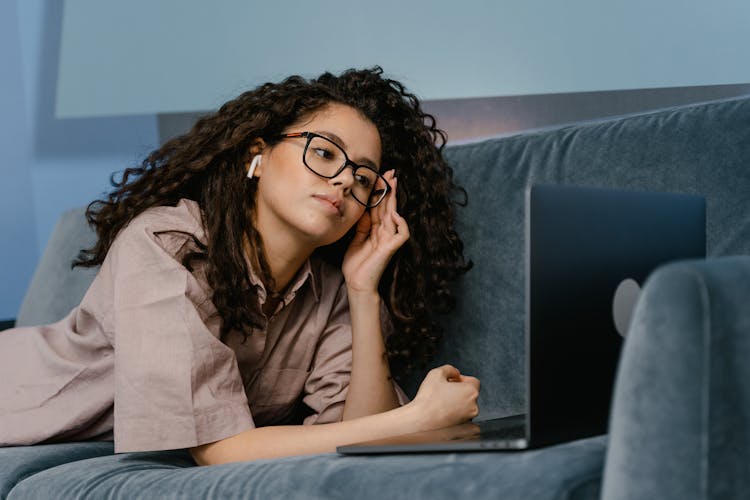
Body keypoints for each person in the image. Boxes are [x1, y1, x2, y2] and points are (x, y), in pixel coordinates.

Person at [0, 67, 478, 465]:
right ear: (258, 156)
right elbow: (217, 450)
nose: (341, 182)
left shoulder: (331, 291)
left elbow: (363, 440)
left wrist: (362, 289)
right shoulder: (167, 245)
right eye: (324, 152)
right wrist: (417, 418)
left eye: (363, 176)